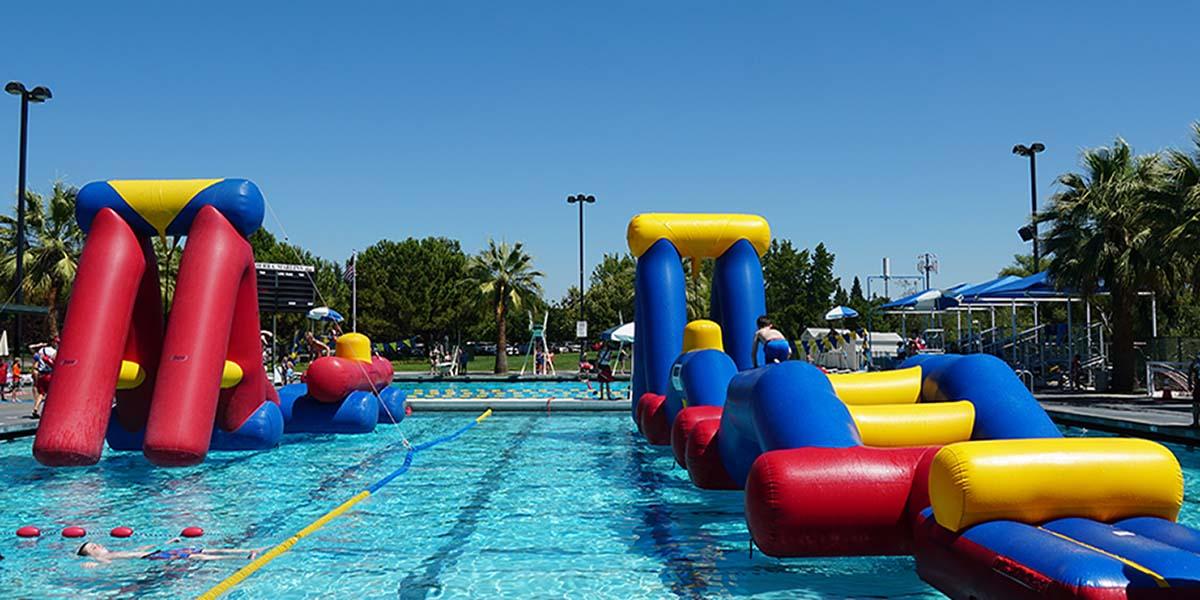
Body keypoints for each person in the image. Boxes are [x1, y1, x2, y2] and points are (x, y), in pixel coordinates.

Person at [76, 538, 261, 566]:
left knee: (199, 549)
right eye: (93, 548)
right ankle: (243, 558)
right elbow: (103, 566)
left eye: (95, 544)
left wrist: (167, 541)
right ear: (91, 554)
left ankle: (246, 550)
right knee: (197, 555)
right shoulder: (103, 558)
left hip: (158, 552)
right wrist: (92, 564)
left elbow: (138, 550)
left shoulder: (113, 552)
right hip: (154, 558)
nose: (98, 546)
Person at [31, 338, 57, 418]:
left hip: (41, 374)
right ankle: (51, 410)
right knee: (52, 392)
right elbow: (55, 361)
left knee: (41, 393)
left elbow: (34, 355)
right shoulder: (53, 351)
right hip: (49, 373)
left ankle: (35, 408)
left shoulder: (41, 350)